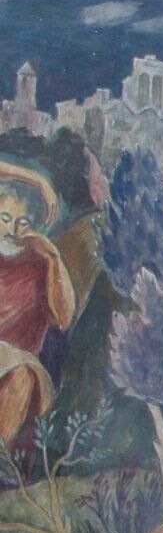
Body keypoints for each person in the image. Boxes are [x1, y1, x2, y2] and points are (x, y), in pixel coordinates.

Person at [0, 166, 84, 454]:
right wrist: (35, 179)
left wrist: (53, 257)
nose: (11, 229)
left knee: (21, 377)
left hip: (18, 360)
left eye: (22, 222)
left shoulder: (39, 261)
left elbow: (63, 319)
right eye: (5, 218)